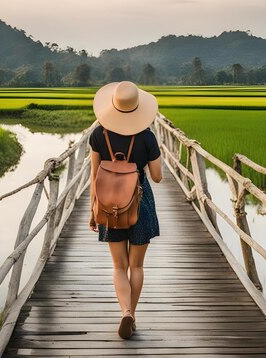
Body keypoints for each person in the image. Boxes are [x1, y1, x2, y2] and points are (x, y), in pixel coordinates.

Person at [88, 81, 162, 339]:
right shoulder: (147, 137)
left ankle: (125, 311)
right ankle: (134, 315)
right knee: (136, 266)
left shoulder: (99, 134)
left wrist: (92, 209)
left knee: (118, 266)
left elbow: (94, 175)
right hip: (140, 202)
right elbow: (157, 176)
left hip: (108, 204)